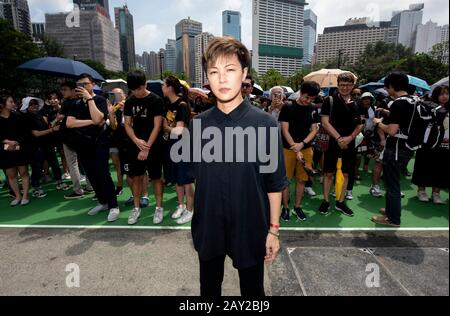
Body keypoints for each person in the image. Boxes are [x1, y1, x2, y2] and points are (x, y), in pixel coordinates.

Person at [190, 37, 288, 297]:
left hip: (251, 223)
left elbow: (274, 183)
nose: (222, 79)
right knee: (208, 290)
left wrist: (273, 231)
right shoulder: (197, 125)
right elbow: (193, 179)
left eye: (230, 70)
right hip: (209, 224)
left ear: (244, 74)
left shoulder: (265, 123)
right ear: (207, 78)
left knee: (253, 291)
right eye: (214, 72)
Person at [67, 73, 120, 222]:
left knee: (103, 173)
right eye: (79, 85)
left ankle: (113, 205)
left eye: (85, 84)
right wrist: (90, 122)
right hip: (83, 144)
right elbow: (70, 123)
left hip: (99, 142)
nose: (82, 87)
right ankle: (102, 202)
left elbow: (99, 119)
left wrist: (89, 99)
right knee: (91, 175)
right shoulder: (75, 104)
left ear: (92, 85)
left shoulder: (99, 100)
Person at [372, 72, 416, 227]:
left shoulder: (398, 103)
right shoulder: (413, 100)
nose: (387, 89)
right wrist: (387, 113)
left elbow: (391, 130)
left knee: (392, 184)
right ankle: (391, 210)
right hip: (408, 147)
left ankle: (393, 219)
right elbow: (405, 119)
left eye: (387, 86)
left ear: (392, 86)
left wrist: (378, 122)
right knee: (394, 181)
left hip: (396, 147)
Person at [319, 73, 364, 217]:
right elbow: (325, 123)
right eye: (342, 85)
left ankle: (340, 201)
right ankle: (326, 201)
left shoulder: (358, 103)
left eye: (348, 85)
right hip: (333, 142)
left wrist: (350, 138)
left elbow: (360, 125)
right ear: (337, 85)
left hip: (349, 144)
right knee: (328, 173)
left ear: (353, 86)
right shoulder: (329, 100)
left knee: (346, 173)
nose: (345, 88)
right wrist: (339, 138)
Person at [124, 71, 165, 226]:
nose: (136, 93)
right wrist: (136, 141)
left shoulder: (156, 100)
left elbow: (157, 126)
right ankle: (136, 208)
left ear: (145, 84)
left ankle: (159, 207)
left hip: (153, 145)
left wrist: (146, 147)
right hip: (135, 145)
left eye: (139, 89)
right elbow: (127, 125)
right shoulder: (129, 101)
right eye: (133, 90)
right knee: (135, 177)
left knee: (156, 177)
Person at [279, 81, 321, 222]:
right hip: (287, 149)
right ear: (301, 92)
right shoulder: (288, 106)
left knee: (302, 180)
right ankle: (285, 207)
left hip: (306, 149)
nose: (308, 101)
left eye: (312, 99)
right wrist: (295, 147)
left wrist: (302, 144)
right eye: (306, 97)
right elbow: (284, 129)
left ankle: (297, 206)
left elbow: (314, 129)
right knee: (286, 180)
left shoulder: (313, 108)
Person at [162, 76, 195, 225]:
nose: (162, 87)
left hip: (183, 146)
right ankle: (181, 205)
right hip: (172, 145)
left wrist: (166, 127)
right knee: (177, 178)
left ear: (170, 87)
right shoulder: (168, 104)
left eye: (164, 84)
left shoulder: (181, 105)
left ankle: (190, 209)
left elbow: (179, 130)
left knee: (186, 180)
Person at [23, 98, 70, 197]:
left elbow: (46, 127)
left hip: (47, 144)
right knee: (37, 168)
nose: (34, 106)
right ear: (26, 106)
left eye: (36, 104)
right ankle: (36, 188)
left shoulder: (39, 116)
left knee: (55, 164)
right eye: (31, 104)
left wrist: (55, 122)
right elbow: (36, 134)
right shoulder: (26, 118)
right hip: (35, 147)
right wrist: (53, 129)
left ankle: (59, 182)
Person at [412, 85, 449, 204]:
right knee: (424, 165)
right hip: (428, 143)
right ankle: (421, 191)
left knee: (441, 169)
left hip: (445, 144)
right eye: (441, 94)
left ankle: (436, 193)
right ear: (436, 95)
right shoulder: (427, 106)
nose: (444, 97)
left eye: (447, 94)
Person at [59, 81, 94, 200]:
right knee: (85, 162)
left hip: (69, 136)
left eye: (65, 89)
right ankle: (90, 186)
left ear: (74, 90)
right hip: (83, 136)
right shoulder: (85, 102)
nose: (63, 92)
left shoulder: (67, 103)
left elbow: (62, 119)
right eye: (62, 90)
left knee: (73, 164)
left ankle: (78, 190)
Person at [0, 95, 31, 206]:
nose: (13, 103)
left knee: (23, 172)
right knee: (11, 174)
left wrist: (17, 142)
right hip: (5, 151)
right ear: (2, 104)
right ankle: (17, 196)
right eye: (10, 101)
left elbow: (26, 132)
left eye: (13, 101)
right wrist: (6, 141)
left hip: (20, 149)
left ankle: (25, 195)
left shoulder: (18, 116)